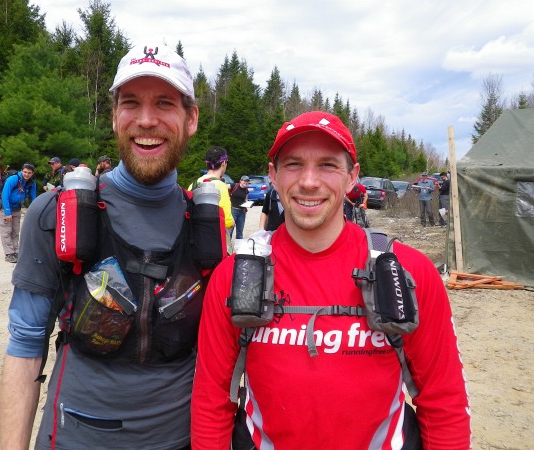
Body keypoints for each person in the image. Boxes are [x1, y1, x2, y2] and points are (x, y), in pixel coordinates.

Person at [191, 111, 471, 449]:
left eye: (327, 165)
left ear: (352, 177)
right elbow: (211, 401)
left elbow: (444, 401)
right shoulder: (233, 276)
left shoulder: (409, 272)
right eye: (294, 164)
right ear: (274, 176)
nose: (309, 181)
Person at [0, 42, 220, 450]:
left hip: (183, 439)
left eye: (165, 103)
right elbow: (26, 344)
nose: (147, 120)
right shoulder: (56, 213)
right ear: (115, 116)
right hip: (75, 438)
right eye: (131, 102)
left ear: (191, 119)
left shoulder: (207, 227)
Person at [189, 146, 235, 240]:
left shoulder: (194, 184)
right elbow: (227, 220)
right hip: (214, 238)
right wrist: (232, 222)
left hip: (196, 237)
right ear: (223, 163)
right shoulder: (220, 186)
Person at [0, 163, 36, 263]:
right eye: (25, 172)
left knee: (15, 231)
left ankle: (16, 252)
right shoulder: (13, 179)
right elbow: (5, 195)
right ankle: (9, 253)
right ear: (21, 171)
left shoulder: (32, 183)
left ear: (32, 173)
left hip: (16, 208)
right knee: (6, 231)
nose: (26, 174)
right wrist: (7, 212)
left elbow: (33, 198)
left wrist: (35, 211)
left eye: (29, 173)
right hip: (5, 208)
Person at [229, 175, 250, 240]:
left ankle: (239, 244)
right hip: (233, 210)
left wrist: (248, 204)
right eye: (244, 181)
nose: (246, 182)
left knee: (240, 231)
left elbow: (246, 200)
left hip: (242, 212)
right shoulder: (234, 186)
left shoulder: (246, 190)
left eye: (247, 181)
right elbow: (224, 188)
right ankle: (228, 245)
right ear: (240, 181)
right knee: (230, 230)